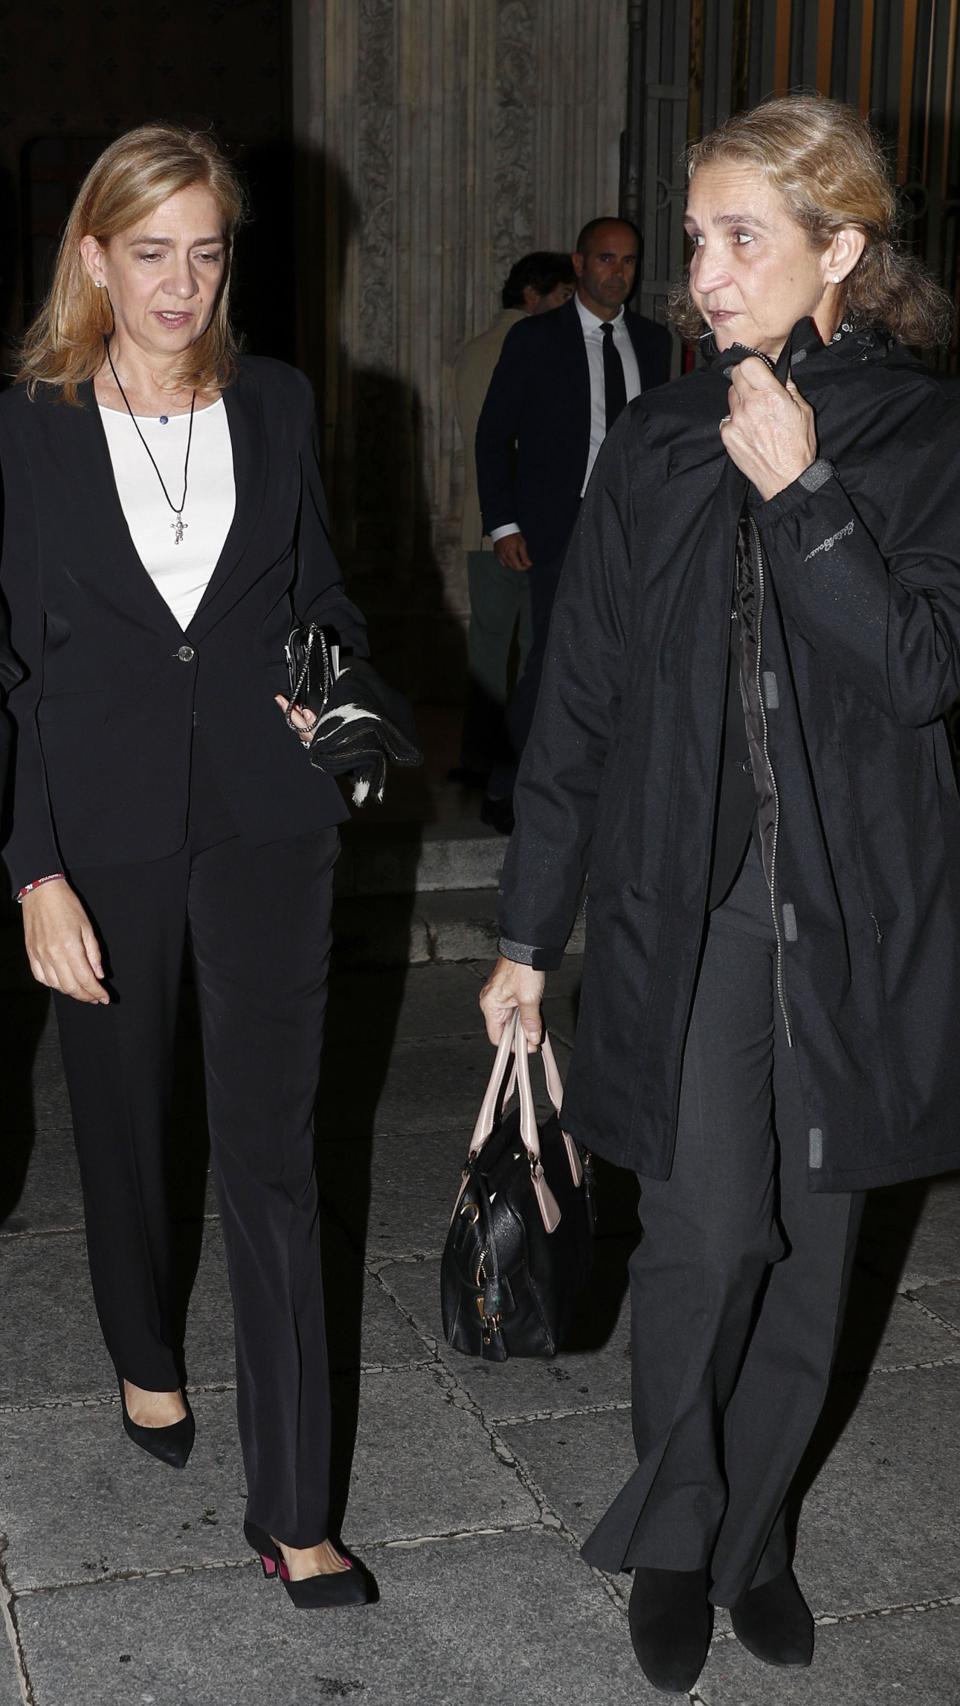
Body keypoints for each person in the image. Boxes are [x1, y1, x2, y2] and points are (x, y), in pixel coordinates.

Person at [480, 93, 960, 1693]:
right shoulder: (660, 442)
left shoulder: (926, 438)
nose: (706, 273)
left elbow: (918, 673)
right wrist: (523, 935)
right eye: (696, 239)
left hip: (852, 922)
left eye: (742, 237)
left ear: (843, 250)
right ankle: (679, 1532)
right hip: (686, 911)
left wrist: (809, 496)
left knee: (815, 1260)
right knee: (699, 1240)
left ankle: (757, 1527)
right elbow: (583, 703)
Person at [0, 124, 376, 1610]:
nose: (182, 282)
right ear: (92, 254)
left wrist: (330, 695)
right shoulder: (26, 424)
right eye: (150, 251)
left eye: (208, 251)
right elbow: (11, 667)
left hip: (270, 825)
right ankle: (142, 1347)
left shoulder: (276, 404)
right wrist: (32, 867)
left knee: (276, 1159)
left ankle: (294, 1508)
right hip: (94, 834)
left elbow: (323, 597)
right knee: (125, 1122)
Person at [475, 216, 672, 829]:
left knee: (629, 660)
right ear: (579, 263)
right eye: (607, 259)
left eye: (630, 261)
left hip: (634, 527)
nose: (620, 272)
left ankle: (607, 789)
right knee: (548, 660)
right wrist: (504, 525)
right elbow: (492, 436)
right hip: (559, 526)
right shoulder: (537, 339)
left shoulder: (655, 341)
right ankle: (508, 786)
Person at [451, 251, 575, 789]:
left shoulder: (473, 349)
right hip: (519, 523)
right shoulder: (532, 343)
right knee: (531, 646)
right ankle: (512, 761)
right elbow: (505, 439)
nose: (570, 309)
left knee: (489, 645)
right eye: (563, 296)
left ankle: (479, 755)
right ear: (533, 294)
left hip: (485, 520)